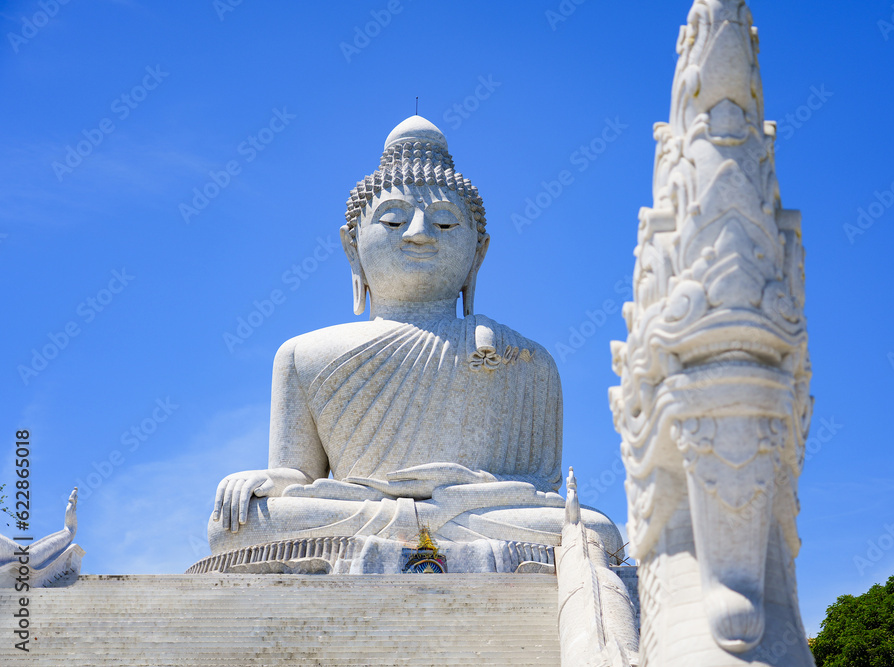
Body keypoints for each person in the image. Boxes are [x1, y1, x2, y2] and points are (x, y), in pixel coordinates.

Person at [208, 117, 621, 556]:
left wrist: (457, 493)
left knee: (595, 530)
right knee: (233, 525)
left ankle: (413, 533)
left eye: (444, 224)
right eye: (392, 221)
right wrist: (267, 481)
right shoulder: (302, 355)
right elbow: (299, 475)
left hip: (475, 515)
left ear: (478, 252)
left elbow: (539, 490)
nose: (419, 234)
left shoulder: (523, 358)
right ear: (352, 247)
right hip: (361, 511)